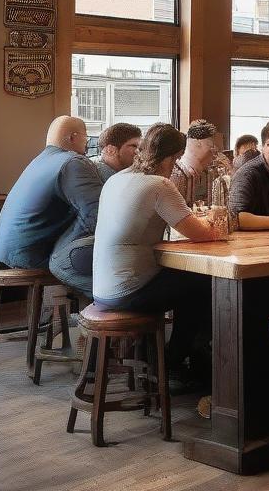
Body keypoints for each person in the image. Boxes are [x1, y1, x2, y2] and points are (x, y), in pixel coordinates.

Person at [92, 123, 225, 374]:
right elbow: (202, 235)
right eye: (175, 160)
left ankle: (168, 357)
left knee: (190, 284)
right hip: (128, 291)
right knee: (205, 283)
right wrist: (217, 223)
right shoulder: (159, 185)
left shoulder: (117, 179)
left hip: (100, 288)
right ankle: (173, 362)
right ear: (171, 158)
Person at [0, 115, 102, 297]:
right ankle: (105, 310)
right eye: (86, 136)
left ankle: (67, 317)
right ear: (73, 138)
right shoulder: (73, 162)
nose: (87, 141)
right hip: (32, 254)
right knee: (112, 261)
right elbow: (97, 214)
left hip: (9, 250)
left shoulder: (39, 161)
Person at [170, 119, 232, 209]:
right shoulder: (177, 174)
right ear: (198, 142)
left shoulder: (207, 173)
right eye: (211, 144)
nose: (215, 150)